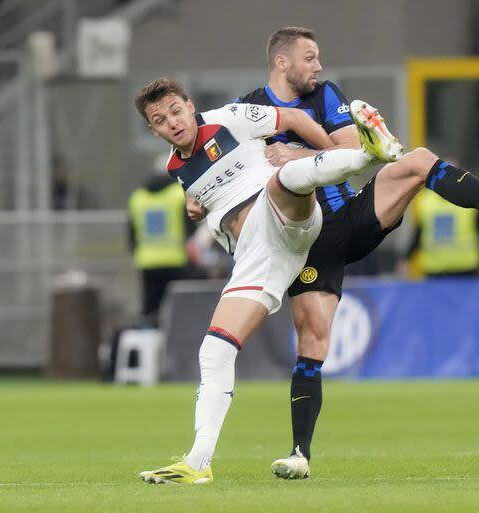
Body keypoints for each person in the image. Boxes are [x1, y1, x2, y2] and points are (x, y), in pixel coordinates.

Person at [236, 26, 479, 480]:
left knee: (418, 160)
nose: (319, 66)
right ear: (282, 62)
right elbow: (237, 173)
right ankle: (300, 454)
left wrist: (295, 152)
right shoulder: (250, 109)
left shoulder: (325, 95)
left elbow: (347, 149)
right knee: (312, 343)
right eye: (310, 58)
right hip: (306, 240)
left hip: (350, 215)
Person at [135, 76, 402, 485]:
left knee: (285, 179)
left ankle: (367, 155)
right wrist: (197, 204)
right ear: (153, 130)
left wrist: (336, 148)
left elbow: (293, 116)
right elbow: (209, 190)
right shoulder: (177, 167)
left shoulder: (228, 119)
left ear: (190, 107)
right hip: (257, 258)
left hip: (283, 218)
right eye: (160, 119)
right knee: (214, 351)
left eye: (175, 111)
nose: (171, 121)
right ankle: (198, 463)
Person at [127, 161, 194, 325]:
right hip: (175, 261)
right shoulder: (178, 195)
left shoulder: (137, 198)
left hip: (147, 262)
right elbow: (190, 228)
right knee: (178, 310)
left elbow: (131, 233)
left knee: (150, 310)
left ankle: (150, 343)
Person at [402, 188, 479, 278]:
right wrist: (406, 258)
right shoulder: (424, 200)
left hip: (466, 269)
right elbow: (419, 232)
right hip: (433, 270)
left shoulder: (471, 198)